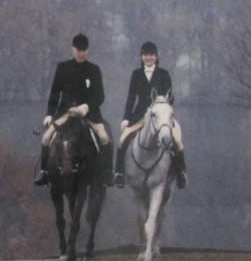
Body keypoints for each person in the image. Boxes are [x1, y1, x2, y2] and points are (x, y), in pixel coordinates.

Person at [34, 33, 113, 186]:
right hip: (65, 112)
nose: (81, 53)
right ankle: (44, 172)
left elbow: (100, 95)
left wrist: (86, 106)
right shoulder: (62, 67)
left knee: (104, 137)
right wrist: (49, 114)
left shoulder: (94, 69)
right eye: (78, 50)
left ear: (87, 51)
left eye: (84, 50)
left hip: (89, 114)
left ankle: (107, 172)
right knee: (46, 137)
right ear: (72, 50)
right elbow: (55, 93)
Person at [113, 41, 187, 189]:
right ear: (142, 56)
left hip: (160, 117)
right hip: (139, 116)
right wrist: (126, 118)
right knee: (122, 140)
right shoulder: (136, 74)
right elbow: (131, 97)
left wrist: (167, 102)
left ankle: (181, 173)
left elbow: (170, 97)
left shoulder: (164, 74)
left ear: (156, 56)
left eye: (151, 55)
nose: (148, 57)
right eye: (146, 55)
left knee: (177, 141)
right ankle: (119, 173)